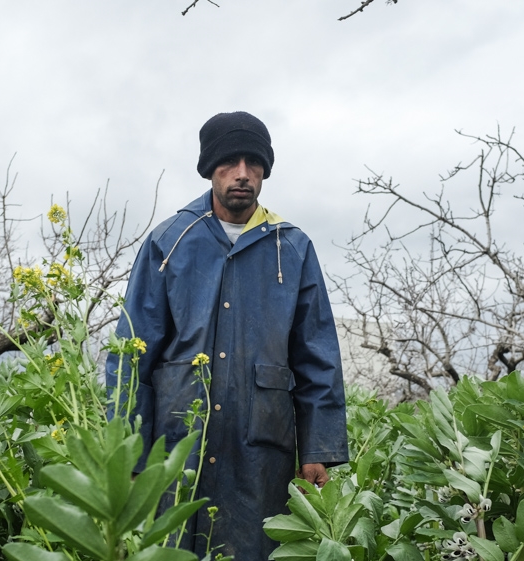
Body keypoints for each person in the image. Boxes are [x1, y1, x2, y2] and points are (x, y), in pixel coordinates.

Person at [106, 111, 348, 559]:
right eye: (229, 163)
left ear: (265, 170)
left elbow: (317, 355)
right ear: (208, 169)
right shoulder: (170, 242)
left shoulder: (291, 247)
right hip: (175, 446)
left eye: (253, 163)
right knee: (174, 547)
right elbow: (130, 354)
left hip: (260, 452)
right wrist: (131, 454)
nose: (242, 174)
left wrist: (318, 448)